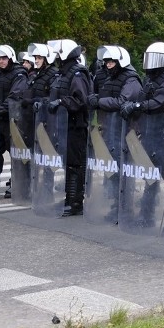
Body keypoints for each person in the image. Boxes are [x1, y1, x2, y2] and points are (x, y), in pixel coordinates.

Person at [120, 42, 164, 227]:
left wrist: (138, 106)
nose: (152, 63)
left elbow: (159, 103)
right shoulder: (149, 79)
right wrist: (131, 108)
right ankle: (146, 216)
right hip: (151, 133)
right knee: (150, 175)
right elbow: (142, 99)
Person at [87, 45, 142, 222]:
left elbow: (122, 101)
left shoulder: (131, 79)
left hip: (125, 132)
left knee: (124, 172)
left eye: (112, 62)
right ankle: (116, 206)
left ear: (121, 61)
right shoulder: (110, 79)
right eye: (107, 62)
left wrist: (99, 101)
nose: (108, 65)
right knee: (112, 171)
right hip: (109, 129)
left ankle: (126, 210)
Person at [46, 39, 92, 216]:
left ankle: (75, 203)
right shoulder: (62, 73)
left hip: (75, 126)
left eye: (58, 53)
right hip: (63, 126)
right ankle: (68, 198)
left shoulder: (78, 73)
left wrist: (60, 102)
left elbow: (80, 100)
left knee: (75, 165)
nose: (56, 56)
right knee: (67, 164)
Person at [0, 44, 26, 198]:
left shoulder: (19, 74)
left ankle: (17, 184)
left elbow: (14, 96)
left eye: (4, 58)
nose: (1, 61)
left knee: (15, 154)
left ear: (10, 58)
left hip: (13, 121)